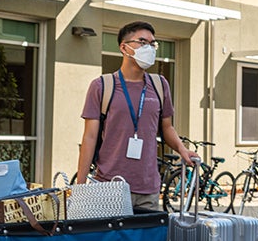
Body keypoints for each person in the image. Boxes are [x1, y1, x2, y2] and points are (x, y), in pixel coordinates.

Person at [75, 21, 198, 210]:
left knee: (146, 240)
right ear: (124, 47)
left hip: (148, 188)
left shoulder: (160, 85)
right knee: (110, 240)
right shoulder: (102, 86)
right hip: (109, 187)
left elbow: (167, 127)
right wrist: (80, 186)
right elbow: (90, 137)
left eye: (152, 43)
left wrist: (183, 150)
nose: (148, 48)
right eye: (142, 42)